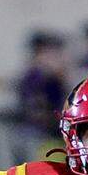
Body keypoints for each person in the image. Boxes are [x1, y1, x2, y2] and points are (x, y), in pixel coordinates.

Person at [17, 31, 68, 160]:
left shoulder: (53, 78)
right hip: (42, 137)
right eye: (54, 54)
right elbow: (36, 111)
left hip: (53, 135)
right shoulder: (35, 78)